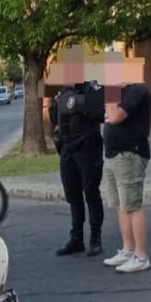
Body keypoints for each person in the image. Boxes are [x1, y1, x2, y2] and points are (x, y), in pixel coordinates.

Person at [48, 81, 106, 257]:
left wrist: (80, 102)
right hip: (67, 147)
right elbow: (54, 117)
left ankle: (95, 238)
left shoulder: (93, 87)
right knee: (73, 195)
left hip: (87, 146)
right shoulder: (64, 90)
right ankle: (76, 238)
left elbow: (102, 114)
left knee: (91, 193)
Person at [101, 83, 151, 273]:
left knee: (132, 206)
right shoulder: (118, 93)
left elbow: (115, 117)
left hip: (129, 154)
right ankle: (128, 250)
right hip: (113, 156)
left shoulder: (136, 91)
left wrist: (109, 92)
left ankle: (141, 256)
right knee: (121, 206)